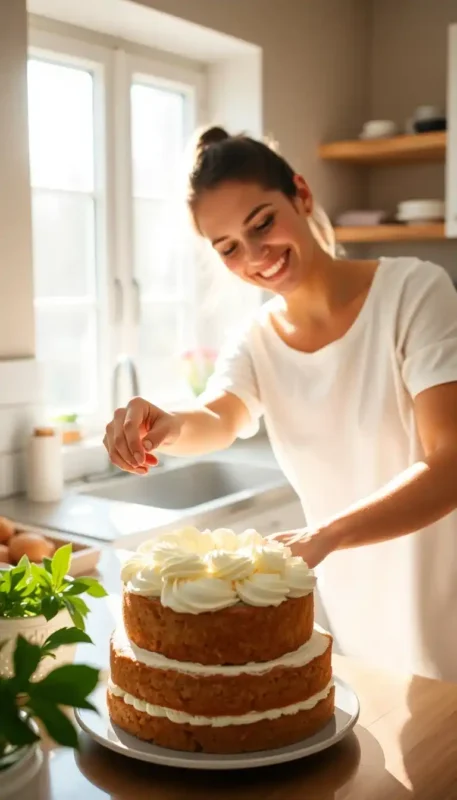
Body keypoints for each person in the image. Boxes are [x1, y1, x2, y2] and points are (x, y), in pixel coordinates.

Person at [104, 126, 457, 681]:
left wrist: (328, 534)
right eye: (228, 248)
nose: (255, 256)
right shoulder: (256, 340)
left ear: (301, 194)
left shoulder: (414, 293)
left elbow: (451, 461)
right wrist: (167, 425)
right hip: (356, 624)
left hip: (444, 607)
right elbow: (220, 416)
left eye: (262, 223)